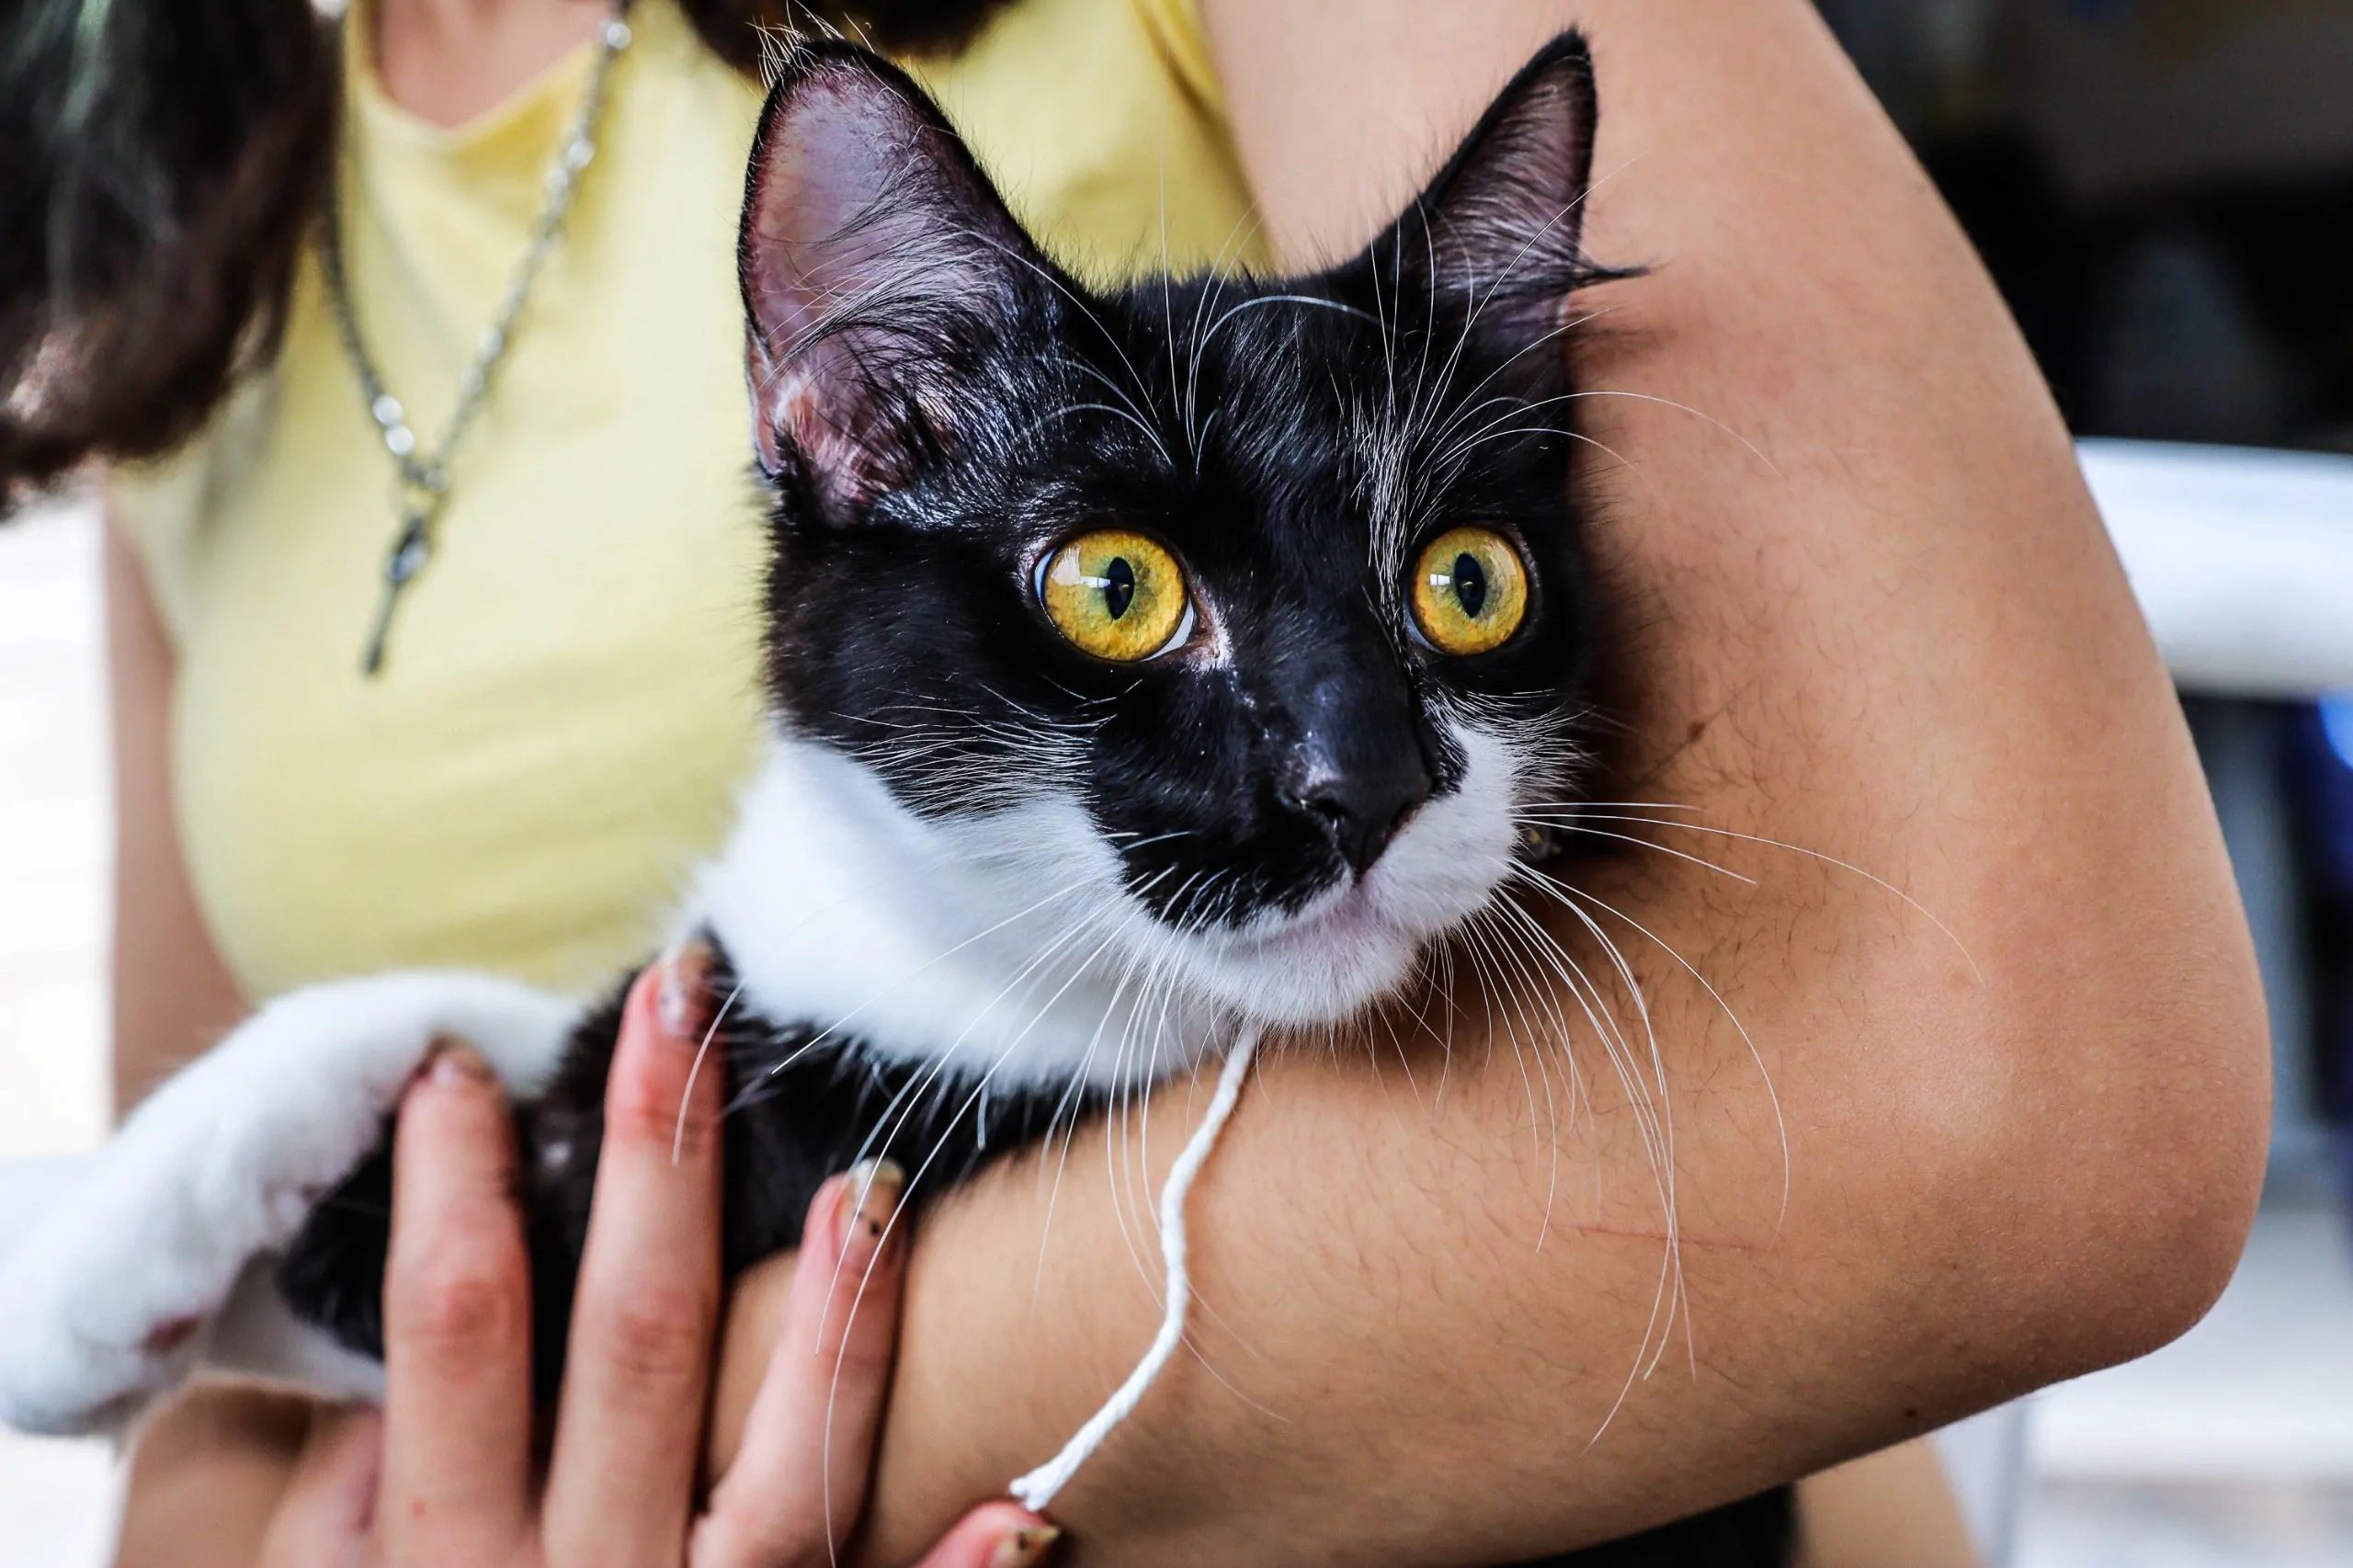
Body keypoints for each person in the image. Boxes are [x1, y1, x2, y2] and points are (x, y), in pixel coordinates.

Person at [0, 0, 2266, 1562]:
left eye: (1454, 598)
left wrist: (730, 1427)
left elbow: (2018, 1079)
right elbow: (160, 1383)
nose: (1348, 764)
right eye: (1123, 599)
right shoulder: (187, 185)